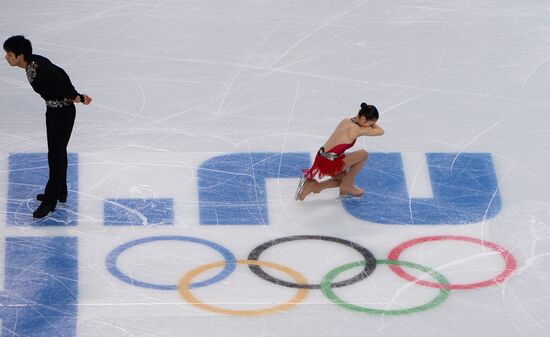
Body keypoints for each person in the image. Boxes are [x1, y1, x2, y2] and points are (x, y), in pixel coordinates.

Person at [3, 35, 92, 218]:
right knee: (58, 153)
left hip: (62, 114)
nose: (6, 58)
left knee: (56, 155)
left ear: (20, 56)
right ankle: (60, 191)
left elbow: (60, 86)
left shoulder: (37, 72)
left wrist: (79, 97)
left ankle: (50, 200)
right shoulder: (35, 62)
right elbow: (60, 71)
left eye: (9, 55)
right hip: (54, 112)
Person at [296, 102, 384, 201]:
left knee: (342, 178)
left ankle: (315, 186)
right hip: (330, 162)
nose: (370, 127)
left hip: (321, 157)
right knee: (363, 154)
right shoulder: (356, 130)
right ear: (363, 119)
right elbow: (381, 131)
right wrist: (372, 123)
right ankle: (348, 184)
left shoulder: (346, 120)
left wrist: (369, 118)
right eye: (370, 124)